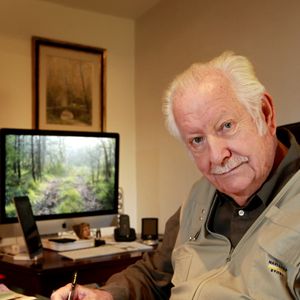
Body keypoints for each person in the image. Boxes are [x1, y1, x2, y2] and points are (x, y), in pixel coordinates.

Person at [51, 51, 300, 300]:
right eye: (197, 140)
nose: (216, 156)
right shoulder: (199, 196)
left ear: (265, 114)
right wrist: (105, 295)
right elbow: (152, 274)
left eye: (226, 126)